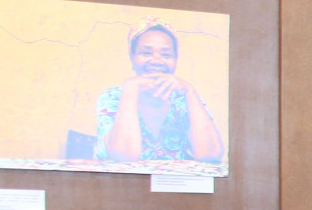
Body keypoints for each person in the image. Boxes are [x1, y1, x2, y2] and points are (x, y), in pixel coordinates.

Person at [95, 22, 226, 164]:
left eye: (166, 55)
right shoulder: (113, 97)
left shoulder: (186, 99)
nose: (156, 61)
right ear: (132, 58)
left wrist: (190, 90)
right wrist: (131, 87)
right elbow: (124, 156)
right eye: (146, 53)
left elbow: (211, 155)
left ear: (176, 60)